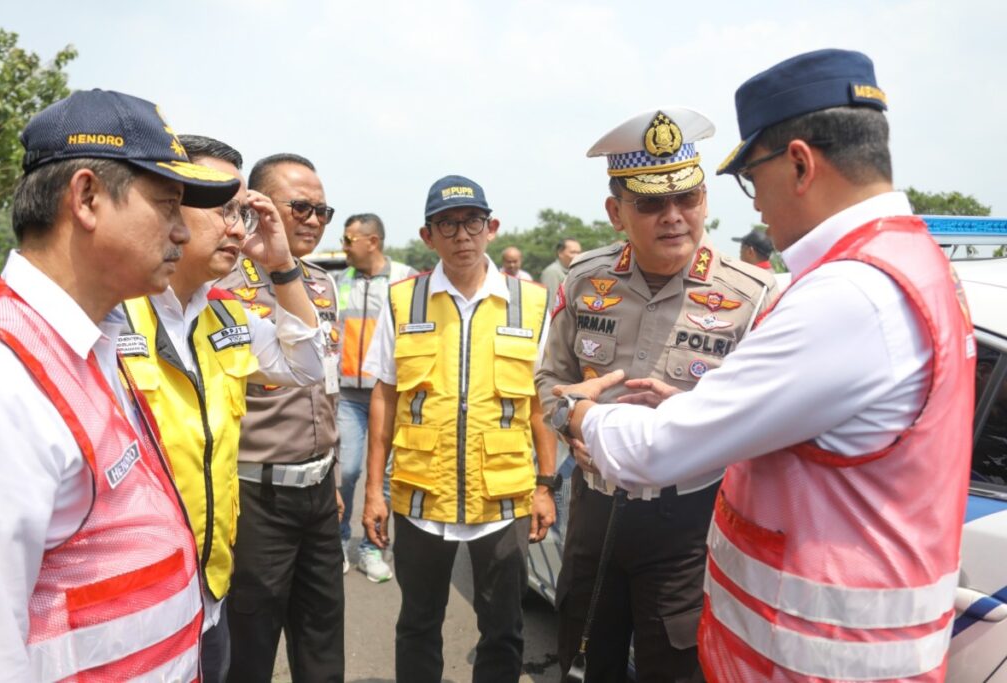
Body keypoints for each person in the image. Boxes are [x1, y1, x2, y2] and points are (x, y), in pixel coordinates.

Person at [556, 49, 975, 682]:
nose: (754, 208)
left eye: (752, 180)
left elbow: (663, 447)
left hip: (815, 654)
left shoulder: (841, 294)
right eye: (651, 204)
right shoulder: (908, 263)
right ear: (617, 213)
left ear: (801, 164)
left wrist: (581, 413)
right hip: (808, 643)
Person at [0, 90, 240, 680]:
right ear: (88, 197)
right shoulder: (3, 381)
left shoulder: (88, 342)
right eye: (168, 205)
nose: (182, 232)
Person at [537, 108, 775, 682]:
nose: (673, 217)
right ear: (616, 212)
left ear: (706, 202)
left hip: (689, 521)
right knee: (588, 655)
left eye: (687, 198)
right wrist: (571, 422)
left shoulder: (753, 296)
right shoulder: (583, 279)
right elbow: (547, 383)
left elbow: (765, 426)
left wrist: (693, 418)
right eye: (650, 203)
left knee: (675, 666)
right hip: (594, 507)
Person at [120, 135, 327, 682]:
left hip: (209, 592)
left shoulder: (223, 316)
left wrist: (282, 265)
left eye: (241, 210)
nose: (238, 228)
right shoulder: (114, 317)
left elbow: (306, 365)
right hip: (134, 604)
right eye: (219, 206)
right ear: (167, 207)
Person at [361, 175, 558, 682]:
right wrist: (372, 493)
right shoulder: (405, 300)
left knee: (504, 628)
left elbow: (542, 403)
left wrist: (546, 485)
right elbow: (385, 395)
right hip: (421, 494)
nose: (461, 235)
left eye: (472, 222)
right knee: (418, 623)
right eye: (446, 225)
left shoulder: (531, 303)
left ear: (491, 227)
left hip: (505, 495)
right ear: (429, 237)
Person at [217, 153, 344, 682]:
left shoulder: (320, 285)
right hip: (255, 497)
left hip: (316, 492)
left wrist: (332, 478)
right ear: (259, 205)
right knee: (249, 648)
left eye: (323, 210)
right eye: (301, 207)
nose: (313, 220)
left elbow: (326, 389)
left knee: (322, 641)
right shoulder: (222, 285)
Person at [335, 212, 416, 582]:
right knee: (347, 471)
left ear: (373, 241)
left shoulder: (406, 279)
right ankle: (338, 541)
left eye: (349, 240)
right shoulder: (339, 281)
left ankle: (372, 548)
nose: (344, 246)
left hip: (390, 394)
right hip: (349, 396)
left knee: (384, 476)